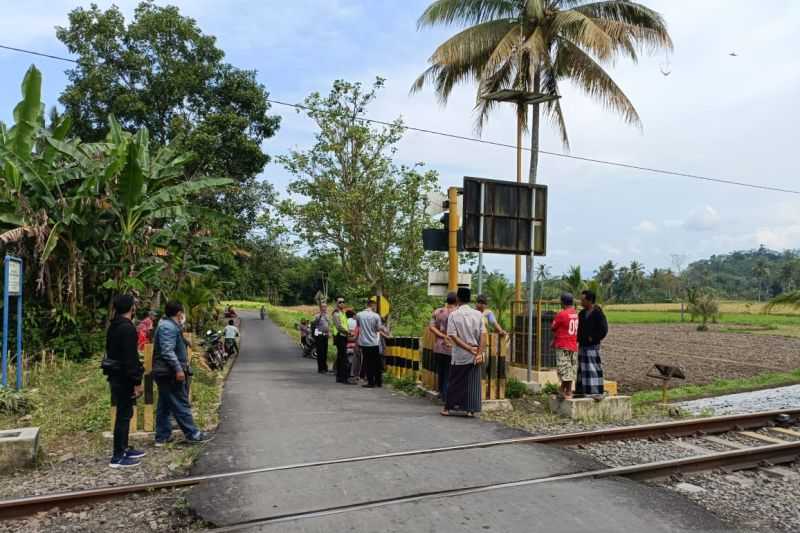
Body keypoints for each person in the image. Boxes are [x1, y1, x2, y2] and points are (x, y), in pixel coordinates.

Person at [152, 301, 212, 446]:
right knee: (180, 402)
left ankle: (162, 436)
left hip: (165, 372)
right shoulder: (168, 327)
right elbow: (167, 351)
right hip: (170, 372)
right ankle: (193, 434)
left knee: (165, 404)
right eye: (183, 312)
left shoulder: (170, 325)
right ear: (179, 313)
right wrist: (178, 369)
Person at [104, 294, 145, 468]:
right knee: (123, 415)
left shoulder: (114, 325)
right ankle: (118, 456)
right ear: (131, 308)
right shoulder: (127, 329)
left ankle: (124, 447)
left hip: (116, 375)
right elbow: (130, 358)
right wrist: (137, 381)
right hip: (124, 377)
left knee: (125, 414)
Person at [442, 288, 485, 417]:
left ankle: (447, 408)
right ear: (470, 299)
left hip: (460, 354)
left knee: (455, 381)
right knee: (472, 382)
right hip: (475, 353)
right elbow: (483, 335)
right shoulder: (478, 314)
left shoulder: (454, 315)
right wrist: (479, 352)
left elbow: (453, 336)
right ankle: (470, 410)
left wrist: (467, 348)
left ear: (458, 299)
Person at [575, 289, 608, 399]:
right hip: (582, 345)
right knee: (582, 369)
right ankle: (582, 390)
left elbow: (604, 330)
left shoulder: (598, 313)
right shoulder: (582, 313)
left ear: (589, 301)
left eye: (583, 300)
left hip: (592, 346)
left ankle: (595, 391)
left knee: (593, 368)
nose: (581, 302)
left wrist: (592, 338)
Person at [429, 292, 456, 402]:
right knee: (449, 373)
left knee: (441, 371)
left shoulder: (438, 312)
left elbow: (431, 327)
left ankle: (441, 393)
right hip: (451, 346)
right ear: (456, 301)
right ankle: (446, 396)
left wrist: (442, 335)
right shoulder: (457, 313)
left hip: (439, 346)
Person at [552, 293, 579, 399]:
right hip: (573, 345)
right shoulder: (575, 314)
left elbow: (553, 327)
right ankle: (568, 390)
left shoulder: (561, 314)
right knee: (571, 369)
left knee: (564, 368)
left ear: (562, 302)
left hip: (563, 345)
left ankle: (563, 390)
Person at [356, 297, 383, 388]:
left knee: (367, 363)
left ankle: (370, 382)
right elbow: (378, 329)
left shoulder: (359, 315)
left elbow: (359, 326)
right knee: (376, 362)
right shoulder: (376, 316)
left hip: (364, 343)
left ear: (366, 305)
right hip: (374, 342)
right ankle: (378, 382)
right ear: (373, 306)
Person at [332, 297, 352, 384]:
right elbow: (339, 326)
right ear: (336, 303)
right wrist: (348, 332)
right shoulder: (336, 314)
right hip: (339, 336)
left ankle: (339, 377)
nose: (342, 303)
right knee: (344, 358)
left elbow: (345, 324)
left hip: (343, 336)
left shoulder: (343, 313)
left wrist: (348, 332)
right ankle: (344, 378)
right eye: (340, 302)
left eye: (343, 302)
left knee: (340, 357)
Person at [311, 302, 331, 373]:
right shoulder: (317, 316)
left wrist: (329, 332)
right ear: (320, 308)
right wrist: (319, 317)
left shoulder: (327, 316)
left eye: (325, 307)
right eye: (323, 307)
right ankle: (321, 368)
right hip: (319, 336)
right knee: (320, 352)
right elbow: (313, 324)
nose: (324, 308)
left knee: (325, 352)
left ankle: (325, 367)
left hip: (325, 335)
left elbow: (328, 325)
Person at [346, 309, 361, 384]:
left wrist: (348, 338)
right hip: (359, 345)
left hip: (355, 345)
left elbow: (354, 337)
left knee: (355, 361)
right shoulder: (359, 326)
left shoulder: (356, 327)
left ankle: (354, 375)